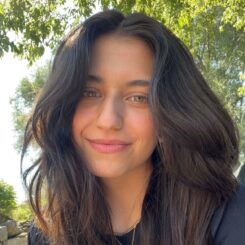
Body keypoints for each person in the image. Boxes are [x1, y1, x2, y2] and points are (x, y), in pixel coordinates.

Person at [22, 9, 245, 245]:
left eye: (138, 97)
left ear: (171, 112)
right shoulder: (46, 235)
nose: (108, 121)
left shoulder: (229, 216)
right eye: (89, 93)